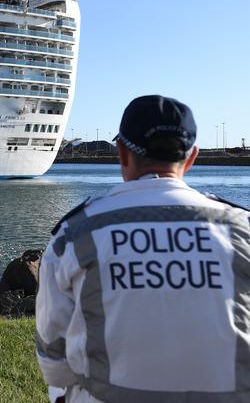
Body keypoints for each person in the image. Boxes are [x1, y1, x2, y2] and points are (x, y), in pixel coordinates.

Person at [36, 95, 250, 402]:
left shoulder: (76, 235)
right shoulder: (241, 229)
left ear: (121, 153)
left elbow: (54, 363)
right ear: (191, 158)